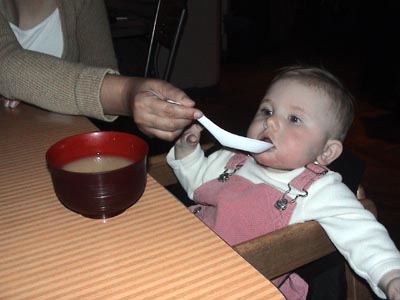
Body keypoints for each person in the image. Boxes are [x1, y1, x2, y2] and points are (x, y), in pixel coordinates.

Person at [166, 65, 400, 300]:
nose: (271, 123)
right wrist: (187, 151)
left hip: (247, 288)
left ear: (326, 152)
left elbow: (361, 233)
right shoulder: (231, 160)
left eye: (294, 119)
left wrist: (390, 274)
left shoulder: (319, 189)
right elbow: (196, 186)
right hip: (188, 259)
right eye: (267, 111)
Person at [0, 0, 202, 141]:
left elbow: (101, 67)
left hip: (61, 136)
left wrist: (130, 95)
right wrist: (125, 92)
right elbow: (6, 63)